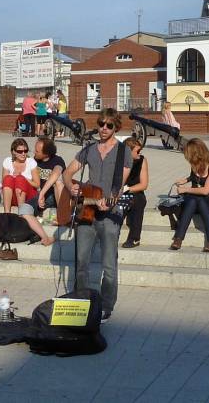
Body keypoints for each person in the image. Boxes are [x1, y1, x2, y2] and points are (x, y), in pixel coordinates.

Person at [62, 108, 132, 322]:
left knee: (109, 265)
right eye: (101, 123)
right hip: (87, 210)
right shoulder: (89, 148)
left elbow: (119, 187)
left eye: (109, 125)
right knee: (81, 260)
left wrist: (109, 201)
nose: (103, 128)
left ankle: (106, 306)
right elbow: (68, 172)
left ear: (116, 127)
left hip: (110, 214)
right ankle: (81, 302)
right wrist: (71, 187)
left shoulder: (123, 152)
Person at [0, 138, 53, 246]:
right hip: (14, 194)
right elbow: (4, 183)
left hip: (28, 196)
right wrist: (14, 177)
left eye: (25, 150)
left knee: (20, 179)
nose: (23, 153)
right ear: (13, 152)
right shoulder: (7, 161)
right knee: (8, 179)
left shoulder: (31, 162)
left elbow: (37, 184)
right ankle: (7, 214)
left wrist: (23, 177)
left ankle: (21, 215)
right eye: (20, 151)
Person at [170, 138, 209, 252]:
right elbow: (195, 178)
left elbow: (206, 190)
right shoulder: (194, 164)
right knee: (194, 200)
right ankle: (179, 239)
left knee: (200, 200)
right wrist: (186, 179)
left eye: (190, 155)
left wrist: (185, 190)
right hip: (192, 200)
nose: (189, 159)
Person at [18, 137, 68, 226]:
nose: (34, 152)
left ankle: (62, 217)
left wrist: (42, 193)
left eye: (37, 151)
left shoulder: (57, 160)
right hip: (40, 196)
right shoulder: (35, 161)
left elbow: (56, 173)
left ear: (46, 154)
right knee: (25, 209)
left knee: (58, 182)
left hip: (54, 195)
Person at [121, 136, 149, 248]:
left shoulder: (142, 160)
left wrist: (127, 189)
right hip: (119, 193)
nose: (139, 153)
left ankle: (134, 238)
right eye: (137, 151)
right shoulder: (119, 161)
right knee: (120, 205)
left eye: (140, 151)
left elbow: (144, 184)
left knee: (138, 200)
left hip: (135, 192)